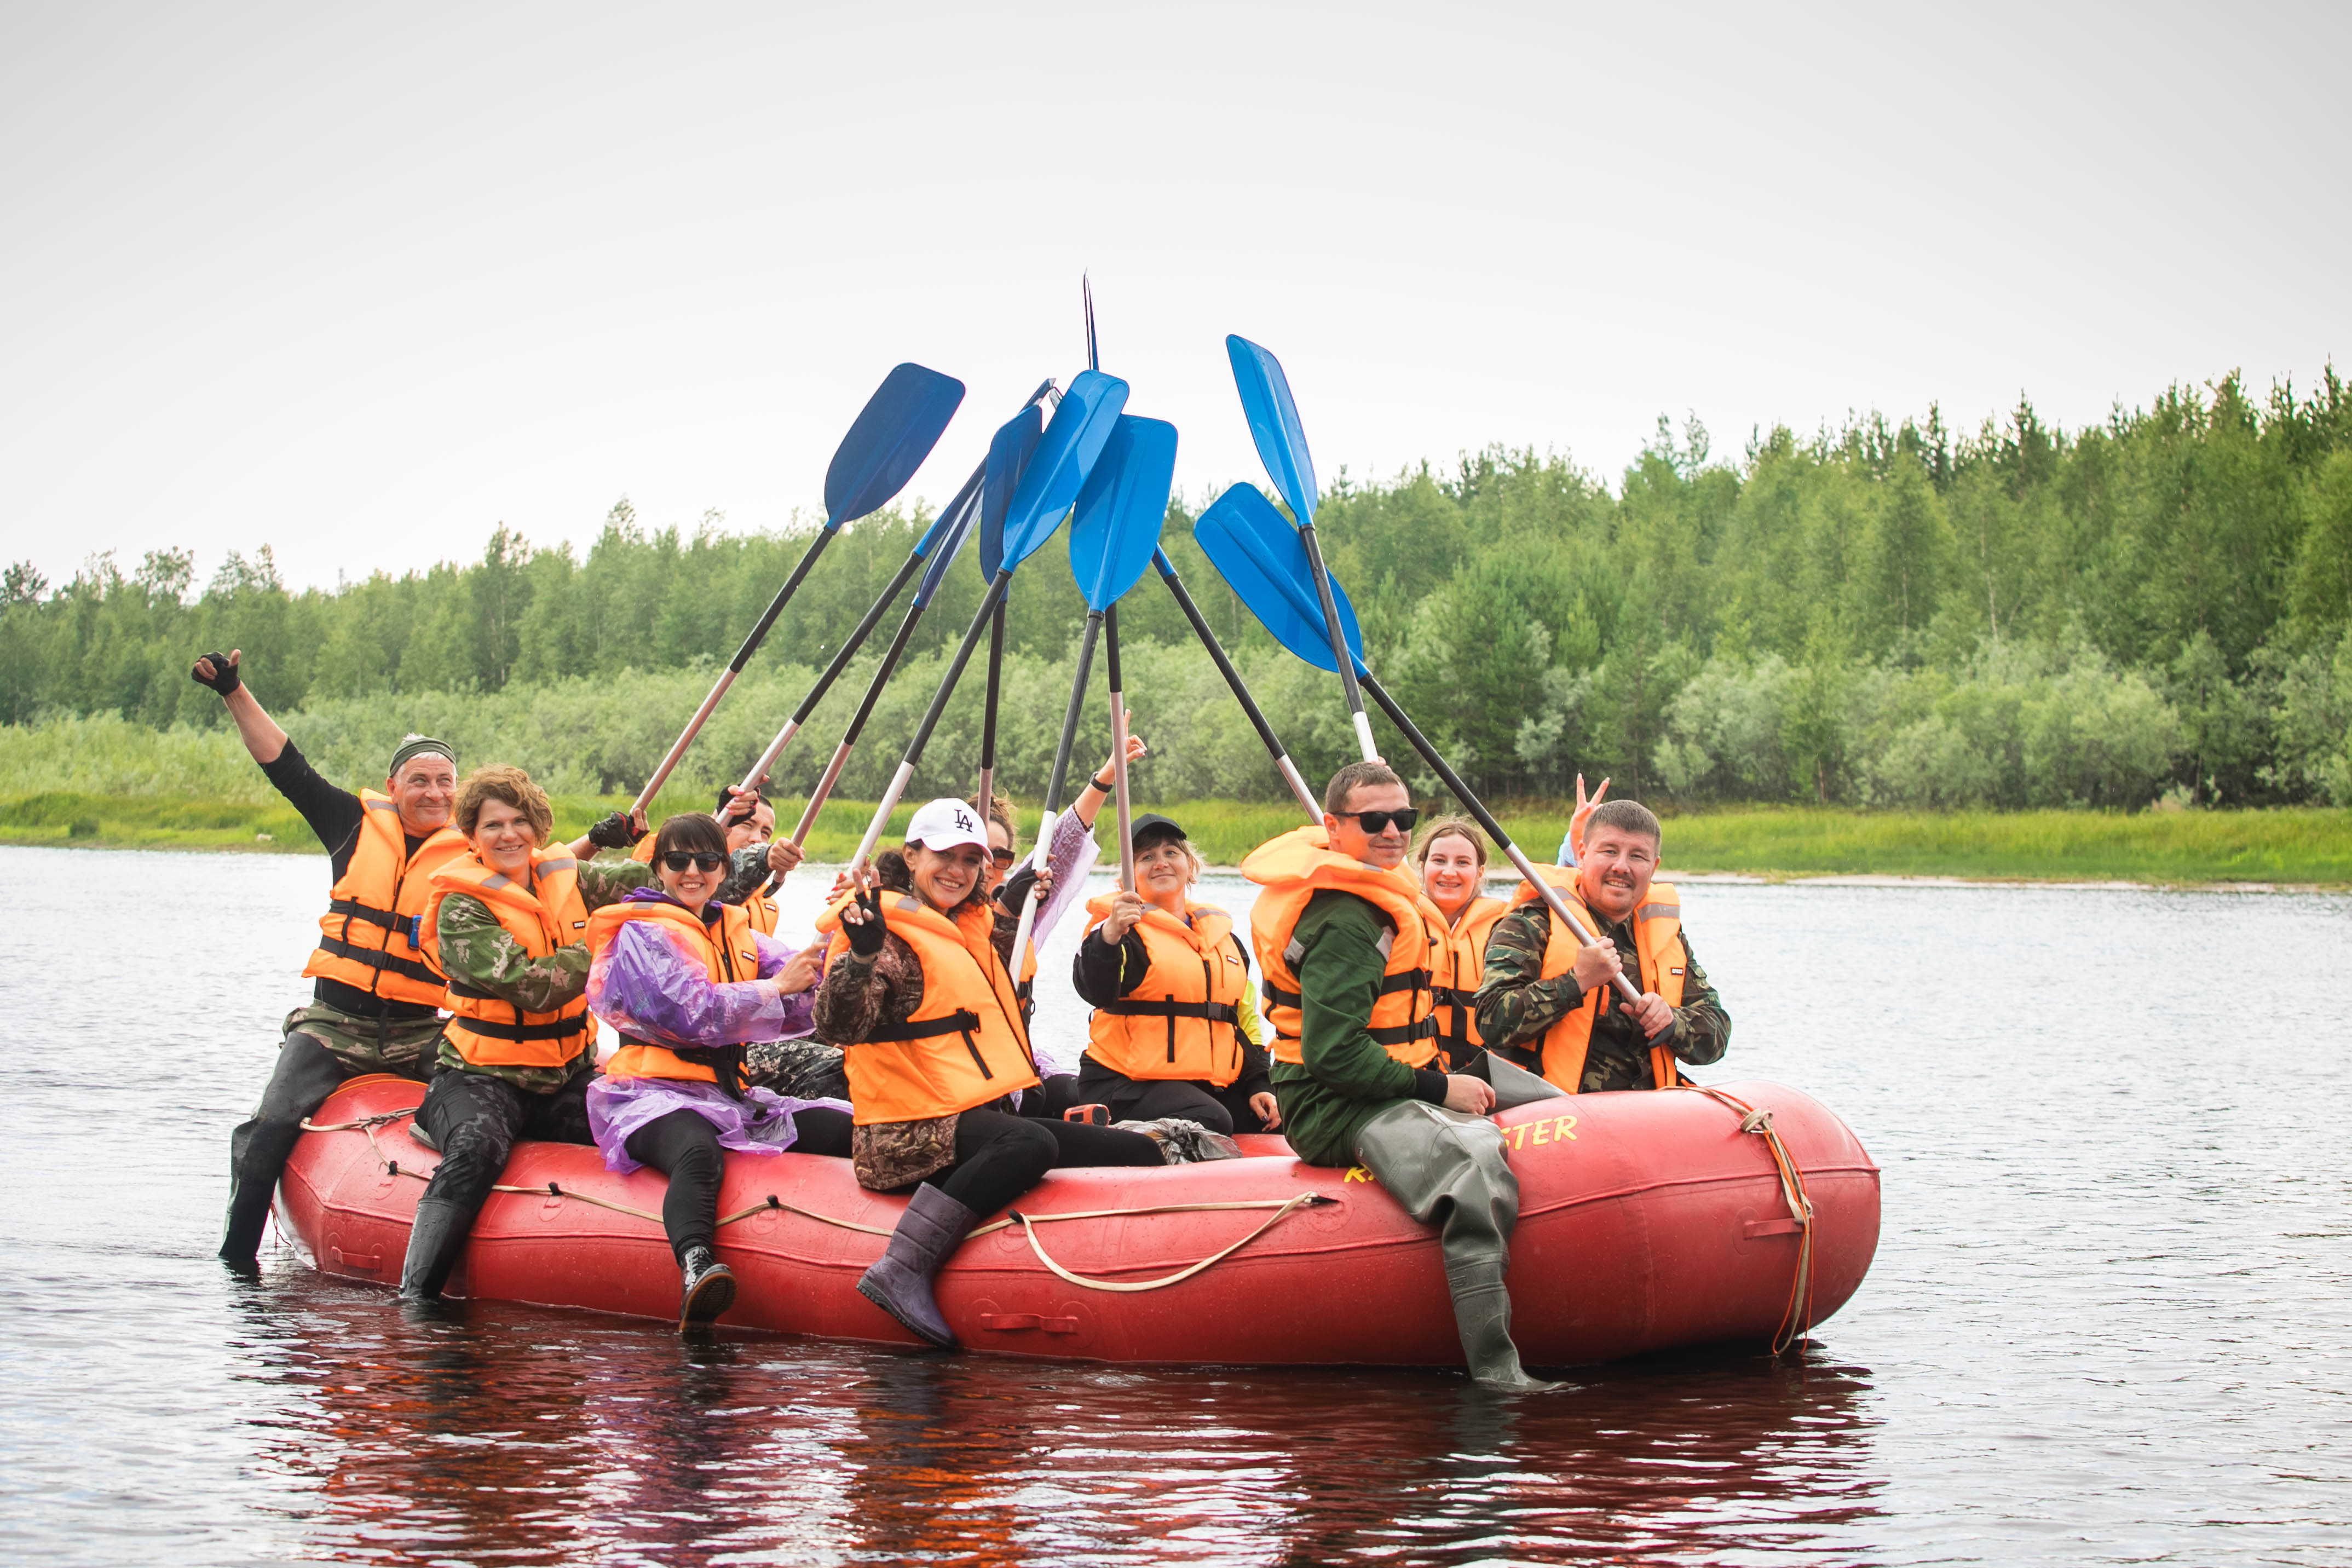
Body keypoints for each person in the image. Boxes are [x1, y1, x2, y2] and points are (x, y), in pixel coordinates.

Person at [194, 647, 633, 1270]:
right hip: (334, 1028)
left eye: (443, 782)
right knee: (269, 1125)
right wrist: (234, 691)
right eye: (419, 780)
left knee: (487, 1104)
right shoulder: (350, 823)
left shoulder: (475, 851)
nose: (432, 791)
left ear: (457, 796)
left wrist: (601, 835)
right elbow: (284, 765)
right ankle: (236, 1262)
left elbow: (544, 868)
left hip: (423, 1032)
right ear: (394, 784)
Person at [1242, 760, 1553, 1391]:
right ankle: (1498, 1372)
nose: (1393, 832)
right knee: (1473, 1166)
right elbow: (1333, 1055)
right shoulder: (1347, 921)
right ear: (1332, 827)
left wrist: (1443, 1081)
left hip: (1385, 1078)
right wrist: (1441, 1090)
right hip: (1329, 1103)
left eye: (1403, 818)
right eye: (1374, 820)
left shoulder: (1387, 893)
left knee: (1529, 1091)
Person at [813, 798, 1167, 1350]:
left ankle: (1139, 1281)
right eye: (943, 855)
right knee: (1030, 1141)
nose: (958, 870)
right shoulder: (885, 931)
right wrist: (858, 957)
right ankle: (902, 1265)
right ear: (910, 856)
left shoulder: (971, 925)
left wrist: (1021, 899)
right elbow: (840, 1023)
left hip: (969, 1117)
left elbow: (1002, 951)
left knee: (1138, 1150)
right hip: (901, 1131)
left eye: (972, 860)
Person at [398, 765, 660, 1303]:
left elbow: (656, 880)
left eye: (520, 821)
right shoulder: (461, 906)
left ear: (538, 828)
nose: (509, 834)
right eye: (493, 824)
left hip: (563, 1071)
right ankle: (416, 1297)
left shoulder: (565, 877)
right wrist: (608, 941)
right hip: (478, 1077)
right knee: (476, 1149)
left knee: (644, 1121)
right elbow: (534, 986)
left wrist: (735, 855)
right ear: (471, 833)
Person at [583, 811, 850, 1330]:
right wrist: (777, 988)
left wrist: (840, 954)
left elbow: (799, 1006)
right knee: (695, 1151)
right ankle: (696, 1267)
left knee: (842, 1123)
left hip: (730, 1098)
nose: (692, 872)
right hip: (648, 1094)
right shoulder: (642, 931)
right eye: (678, 860)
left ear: (723, 869)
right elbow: (687, 1012)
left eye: (706, 861)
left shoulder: (735, 929)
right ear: (658, 868)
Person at [1474, 798, 1730, 1094]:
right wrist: (1576, 981)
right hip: (1553, 1111)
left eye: (1638, 856)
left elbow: (1717, 1033)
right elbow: (1492, 1022)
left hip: (1647, 1116)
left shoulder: (1664, 932)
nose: (1621, 867)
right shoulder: (1532, 922)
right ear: (1582, 854)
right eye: (1609, 851)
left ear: (1654, 866)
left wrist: (1673, 1021)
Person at [1071, 812, 1277, 1135]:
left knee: (1277, 1117)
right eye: (1146, 857)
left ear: (1189, 866)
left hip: (1197, 1085)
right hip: (1124, 1083)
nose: (1160, 863)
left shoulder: (1227, 943)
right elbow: (1095, 989)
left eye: (1171, 853)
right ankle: (1115, 1142)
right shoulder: (1121, 934)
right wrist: (1110, 936)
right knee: (1211, 1118)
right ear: (1129, 876)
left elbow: (1242, 1023)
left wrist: (1259, 1084)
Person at [1414, 816, 1512, 1074]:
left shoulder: (1506, 929)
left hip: (1483, 1080)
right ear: (1422, 867)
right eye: (1439, 860)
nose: (1449, 872)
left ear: (1479, 872)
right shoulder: (1401, 921)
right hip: (1415, 1077)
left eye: (1462, 863)